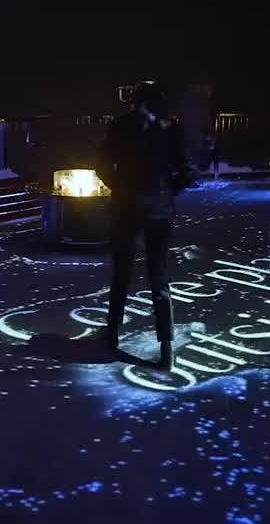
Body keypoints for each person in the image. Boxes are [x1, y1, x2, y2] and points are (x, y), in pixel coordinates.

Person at [96, 82, 193, 369]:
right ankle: (166, 348)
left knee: (121, 274)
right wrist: (167, 191)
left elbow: (101, 165)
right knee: (159, 277)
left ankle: (112, 335)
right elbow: (188, 170)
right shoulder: (172, 129)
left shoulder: (120, 125)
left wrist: (119, 188)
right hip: (160, 210)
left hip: (125, 207)